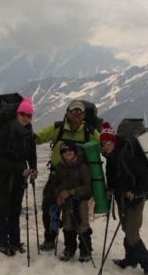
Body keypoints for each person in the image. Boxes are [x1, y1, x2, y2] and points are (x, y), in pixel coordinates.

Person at [34, 100, 100, 251]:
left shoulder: (89, 131)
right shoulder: (57, 128)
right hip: (57, 176)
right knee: (49, 207)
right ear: (67, 113)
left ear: (84, 115)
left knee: (77, 214)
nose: (76, 114)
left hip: (79, 180)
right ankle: (50, 238)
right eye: (73, 111)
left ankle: (79, 246)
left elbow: (104, 146)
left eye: (80, 112)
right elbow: (38, 138)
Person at [100, 121, 148, 275]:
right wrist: (110, 188)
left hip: (135, 198)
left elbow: (145, 176)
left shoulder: (127, 154)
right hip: (121, 197)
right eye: (103, 144)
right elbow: (111, 174)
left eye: (107, 143)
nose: (105, 146)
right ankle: (131, 259)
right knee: (127, 229)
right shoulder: (111, 155)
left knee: (132, 232)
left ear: (114, 141)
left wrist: (136, 192)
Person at [0, 97, 38, 256]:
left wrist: (33, 169)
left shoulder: (29, 132)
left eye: (29, 115)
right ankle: (2, 242)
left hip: (19, 176)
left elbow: (32, 154)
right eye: (23, 114)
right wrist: (22, 169)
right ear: (17, 114)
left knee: (15, 208)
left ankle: (15, 241)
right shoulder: (6, 130)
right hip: (2, 176)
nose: (26, 118)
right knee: (3, 208)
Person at [53, 141, 93, 262]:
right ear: (61, 154)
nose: (67, 152)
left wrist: (70, 192)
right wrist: (58, 194)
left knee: (82, 225)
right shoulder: (59, 166)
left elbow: (87, 187)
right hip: (66, 201)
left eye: (70, 150)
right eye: (64, 151)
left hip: (81, 199)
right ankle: (69, 249)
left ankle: (85, 250)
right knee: (67, 224)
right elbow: (55, 184)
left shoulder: (82, 166)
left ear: (75, 152)